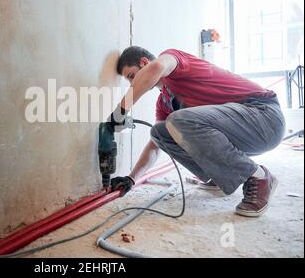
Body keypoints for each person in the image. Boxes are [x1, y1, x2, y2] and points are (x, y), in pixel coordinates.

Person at [108, 47, 285, 217]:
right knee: (159, 132)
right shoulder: (164, 103)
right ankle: (217, 175)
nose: (132, 83)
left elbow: (157, 67)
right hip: (243, 133)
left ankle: (259, 177)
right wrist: (131, 179)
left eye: (132, 76)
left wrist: (120, 111)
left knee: (178, 120)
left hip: (264, 117)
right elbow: (155, 147)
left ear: (144, 62)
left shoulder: (172, 60)